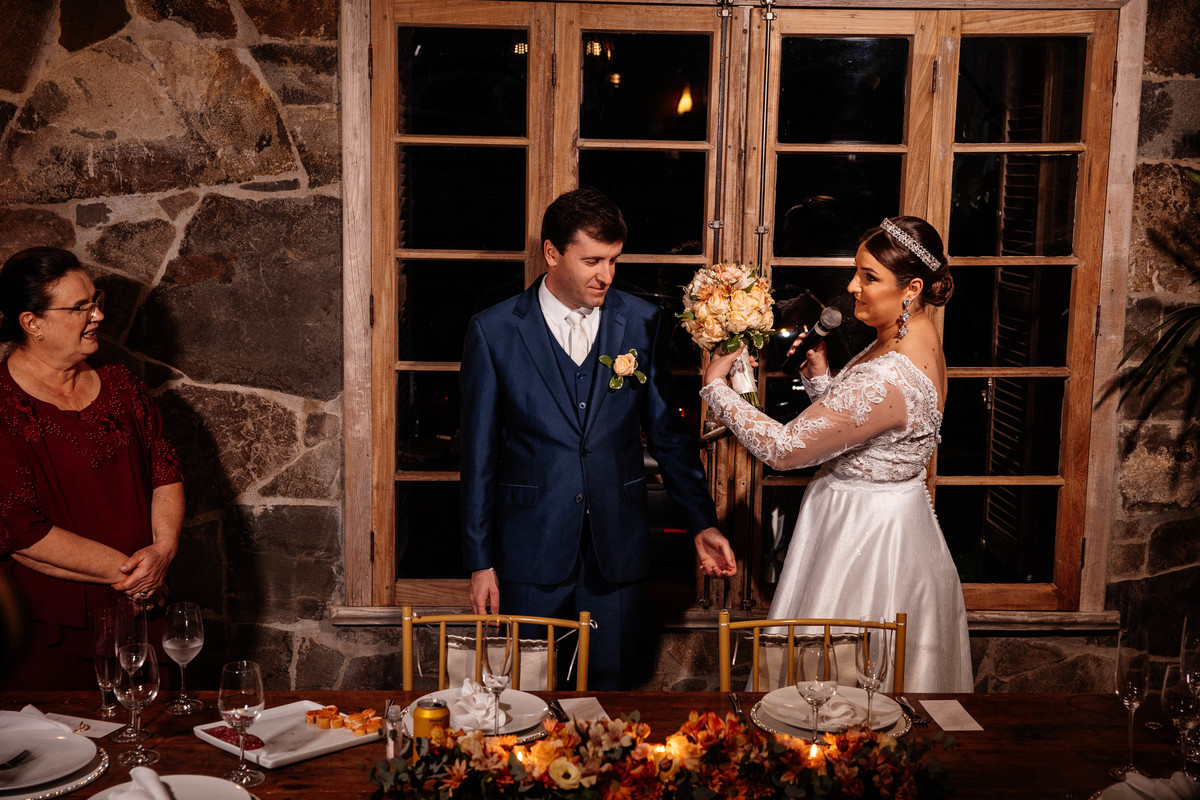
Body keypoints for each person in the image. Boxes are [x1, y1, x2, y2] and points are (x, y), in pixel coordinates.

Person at [461, 188, 736, 690]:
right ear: (552, 253)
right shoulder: (494, 330)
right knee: (526, 696)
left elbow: (668, 436)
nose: (606, 275)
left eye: (612, 260)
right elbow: (478, 459)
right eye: (592, 260)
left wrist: (700, 521)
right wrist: (481, 563)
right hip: (529, 550)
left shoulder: (641, 321)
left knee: (612, 695)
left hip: (618, 549)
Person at [700, 216, 972, 693]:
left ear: (911, 287)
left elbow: (783, 450)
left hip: (864, 542)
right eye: (856, 271)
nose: (853, 286)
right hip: (889, 515)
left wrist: (715, 387)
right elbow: (874, 430)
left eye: (869, 276)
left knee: (841, 688)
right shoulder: (912, 336)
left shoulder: (891, 372)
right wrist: (822, 378)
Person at [0, 247, 184, 690]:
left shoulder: (123, 384)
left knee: (152, 742)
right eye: (79, 307)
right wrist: (136, 575)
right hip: (51, 628)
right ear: (32, 323)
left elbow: (166, 472)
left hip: (143, 609)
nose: (97, 315)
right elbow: (20, 531)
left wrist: (163, 551)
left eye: (94, 300)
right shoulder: (2, 407)